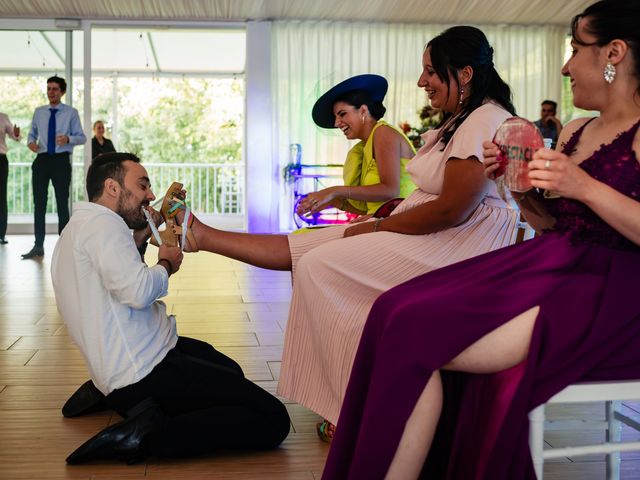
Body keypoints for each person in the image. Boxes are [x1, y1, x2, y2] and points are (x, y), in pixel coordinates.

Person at [322, 1, 640, 478]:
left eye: (576, 49)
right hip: (552, 261)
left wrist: (581, 185)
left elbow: (592, 203)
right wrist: (519, 187)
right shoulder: (576, 131)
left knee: (414, 330)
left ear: (613, 52)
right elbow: (552, 223)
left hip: (611, 288)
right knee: (393, 309)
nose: (566, 65)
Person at [170, 25, 520, 442]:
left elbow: (452, 209)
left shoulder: (483, 119)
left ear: (464, 74)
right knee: (308, 247)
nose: (421, 81)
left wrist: (377, 224)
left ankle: (355, 405)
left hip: (456, 245)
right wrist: (353, 211)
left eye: (430, 71)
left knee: (321, 266)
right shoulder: (462, 120)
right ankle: (202, 235)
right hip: (425, 226)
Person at [52, 152, 290, 464]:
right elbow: (137, 291)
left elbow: (125, 255)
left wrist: (160, 215)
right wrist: (166, 264)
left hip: (139, 356)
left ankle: (107, 390)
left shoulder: (84, 226)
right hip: (142, 371)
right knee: (273, 420)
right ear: (112, 188)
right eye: (142, 186)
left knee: (230, 371)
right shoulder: (103, 229)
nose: (150, 195)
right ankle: (143, 436)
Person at [296, 74, 415, 219]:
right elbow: (370, 208)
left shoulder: (383, 133)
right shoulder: (364, 147)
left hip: (402, 220)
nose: (336, 123)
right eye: (336, 117)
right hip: (384, 220)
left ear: (363, 111)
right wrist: (330, 200)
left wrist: (335, 191)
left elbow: (391, 191)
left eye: (342, 114)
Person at [22, 75, 86, 259]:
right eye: (49, 88)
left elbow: (81, 137)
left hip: (60, 160)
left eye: (55, 89)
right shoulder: (39, 112)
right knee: (39, 204)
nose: (51, 92)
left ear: (62, 92)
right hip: (41, 160)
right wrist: (31, 142)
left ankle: (65, 247)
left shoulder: (71, 113)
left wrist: (68, 139)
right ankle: (38, 246)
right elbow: (31, 134)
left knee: (61, 204)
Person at [0, 111, 21, 244]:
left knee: (1, 196)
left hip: (0, 160)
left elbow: (16, 137)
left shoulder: (3, 117)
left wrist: (17, 133)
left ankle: (1, 234)